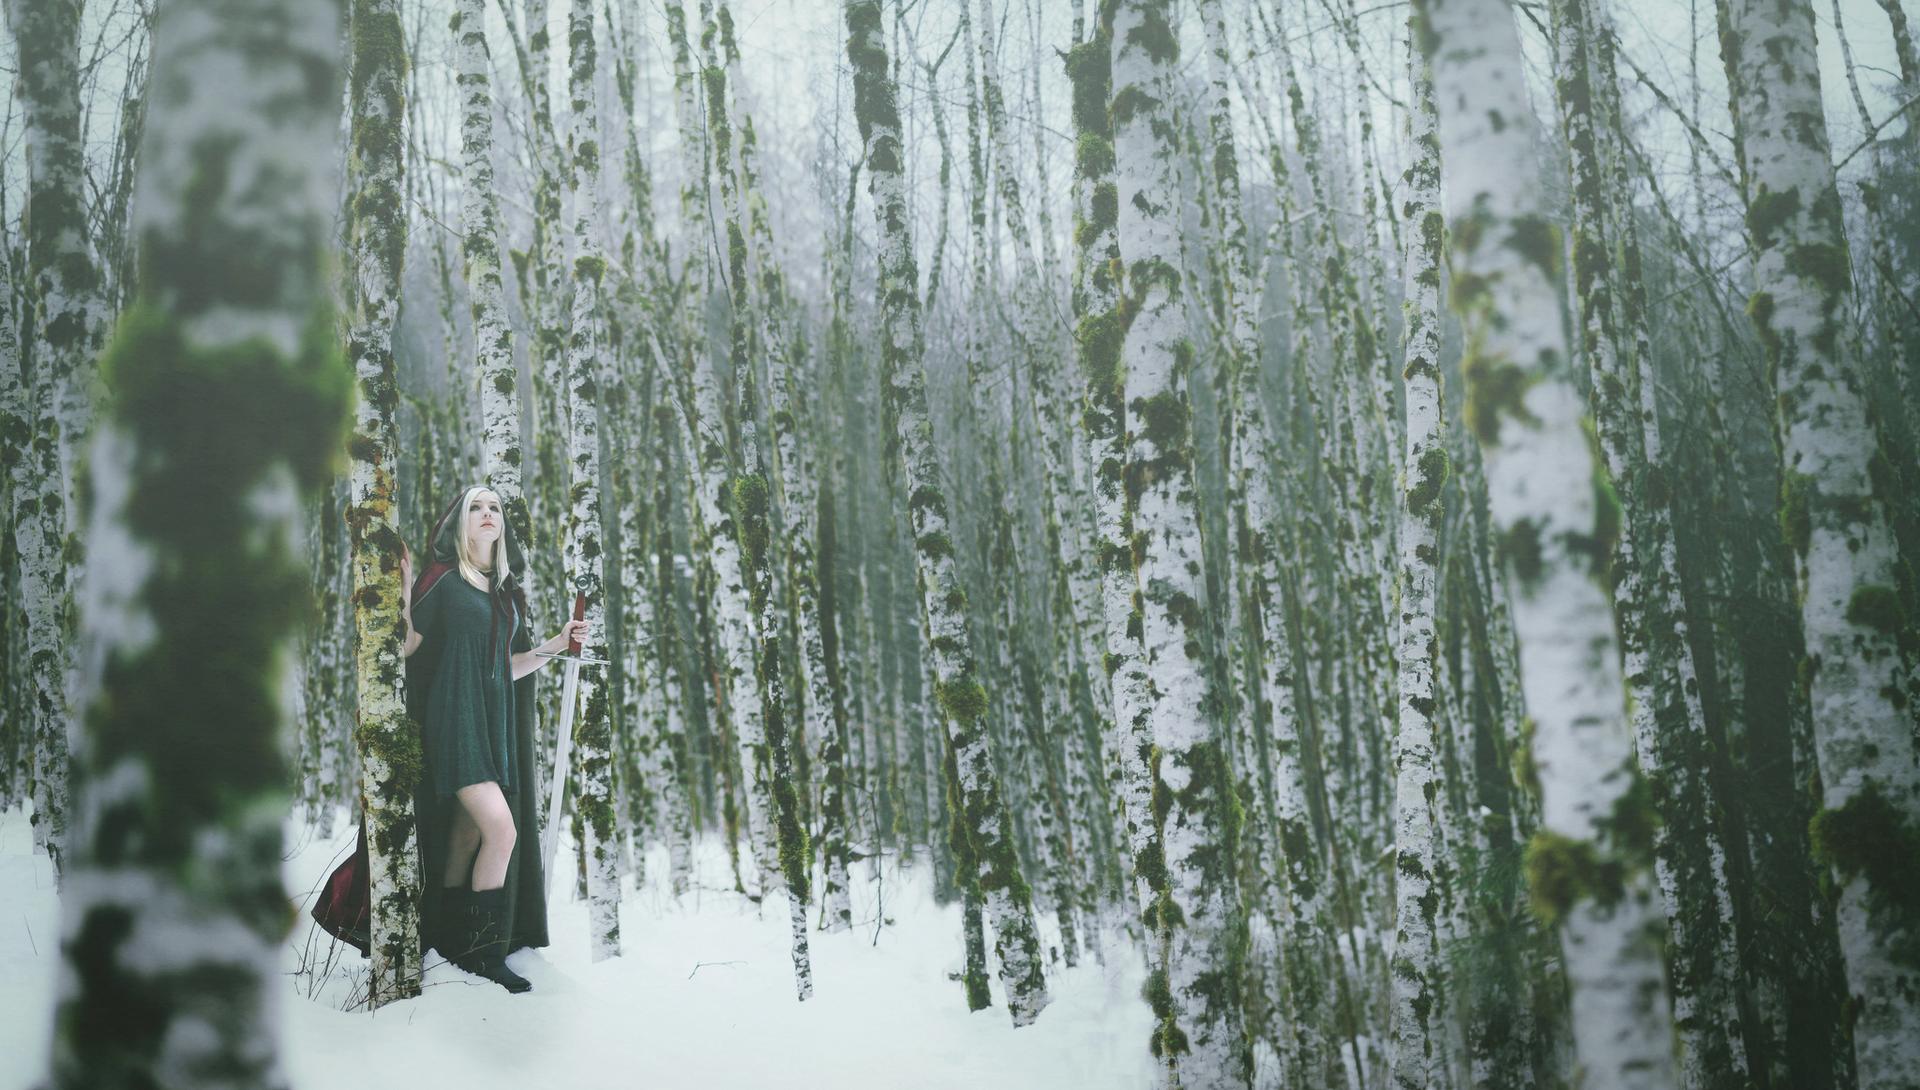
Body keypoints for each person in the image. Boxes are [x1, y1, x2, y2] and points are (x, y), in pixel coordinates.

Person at [402, 485, 586, 993]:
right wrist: (402, 590)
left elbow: (506, 667)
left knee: (467, 836)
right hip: (453, 720)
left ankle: (445, 940)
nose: (487, 514)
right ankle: (482, 954)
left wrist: (557, 643)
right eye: (476, 508)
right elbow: (409, 645)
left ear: (502, 524)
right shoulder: (442, 580)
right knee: (501, 831)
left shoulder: (504, 593)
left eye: (494, 508)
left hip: (491, 724)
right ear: (459, 524)